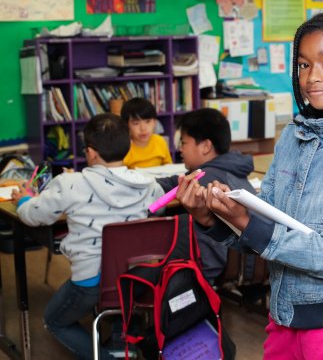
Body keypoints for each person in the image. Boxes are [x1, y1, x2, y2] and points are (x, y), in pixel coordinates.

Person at [176, 1, 323, 360]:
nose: (312, 76)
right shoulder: (293, 136)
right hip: (284, 317)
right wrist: (211, 218)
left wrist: (246, 222)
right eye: (303, 64)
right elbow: (269, 238)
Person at [11, 113, 164, 360]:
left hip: (91, 282)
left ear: (91, 153)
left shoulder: (71, 183)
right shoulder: (149, 184)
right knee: (114, 294)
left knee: (54, 320)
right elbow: (161, 207)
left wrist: (25, 200)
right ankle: (120, 339)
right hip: (136, 278)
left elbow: (34, 216)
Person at [156, 108, 256, 283]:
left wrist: (196, 284)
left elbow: (211, 256)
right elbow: (176, 182)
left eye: (184, 143)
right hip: (253, 268)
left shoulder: (206, 182)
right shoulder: (231, 169)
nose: (180, 149)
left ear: (205, 146)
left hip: (221, 270)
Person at [121, 97, 173, 168]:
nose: (143, 128)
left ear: (154, 122)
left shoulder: (160, 141)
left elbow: (169, 168)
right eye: (136, 123)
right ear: (127, 125)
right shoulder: (124, 148)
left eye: (148, 122)